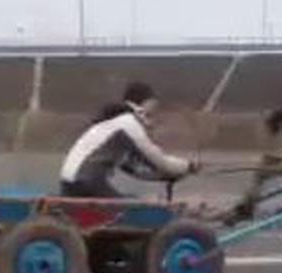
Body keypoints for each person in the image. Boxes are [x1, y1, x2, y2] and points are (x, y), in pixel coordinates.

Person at [59, 82, 198, 198]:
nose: (155, 111)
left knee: (131, 202)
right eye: (154, 104)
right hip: (87, 182)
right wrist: (189, 166)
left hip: (69, 183)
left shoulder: (114, 123)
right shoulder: (128, 124)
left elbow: (135, 169)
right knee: (137, 210)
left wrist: (167, 176)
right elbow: (159, 161)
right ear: (146, 102)